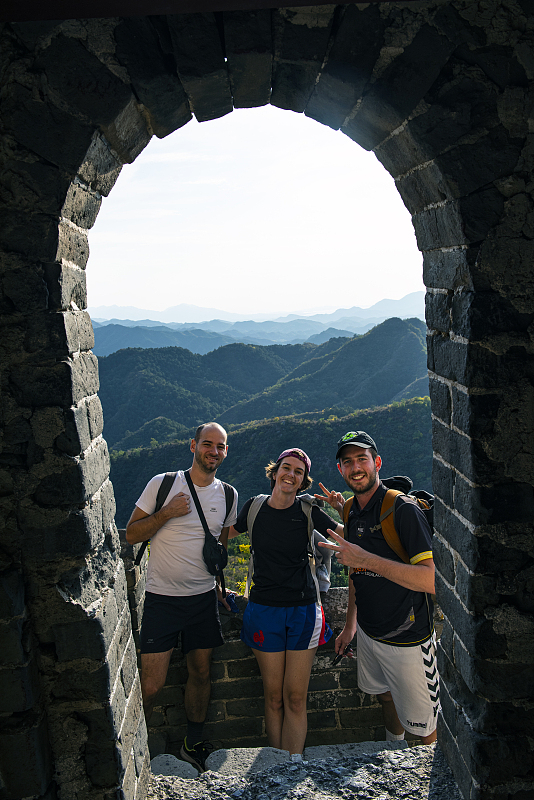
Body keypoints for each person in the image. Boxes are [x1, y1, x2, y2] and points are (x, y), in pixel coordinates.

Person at [125, 422, 237, 772]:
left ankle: (193, 742)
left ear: (225, 451)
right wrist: (166, 513)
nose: (213, 451)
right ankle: (133, 748)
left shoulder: (228, 495)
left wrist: (220, 585)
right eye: (207, 444)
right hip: (161, 598)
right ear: (193, 446)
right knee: (152, 683)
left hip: (203, 600)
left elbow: (221, 543)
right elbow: (130, 534)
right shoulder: (163, 484)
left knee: (201, 673)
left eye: (220, 446)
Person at [316, 431, 440, 745]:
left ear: (377, 463)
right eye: (348, 462)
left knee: (424, 728)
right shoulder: (350, 511)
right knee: (385, 697)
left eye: (362, 459)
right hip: (370, 635)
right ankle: (392, 754)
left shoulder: (403, 510)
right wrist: (349, 626)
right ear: (341, 470)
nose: (356, 467)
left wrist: (367, 559)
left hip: (409, 639)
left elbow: (431, 580)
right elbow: (358, 575)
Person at [229, 448, 344, 760]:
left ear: (303, 480)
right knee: (274, 697)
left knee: (295, 698)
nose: (291, 475)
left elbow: (346, 536)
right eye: (286, 468)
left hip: (304, 610)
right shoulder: (253, 508)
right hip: (263, 610)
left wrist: (345, 510)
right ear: (274, 471)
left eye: (298, 472)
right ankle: (276, 766)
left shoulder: (308, 512)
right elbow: (221, 535)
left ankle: (293, 765)